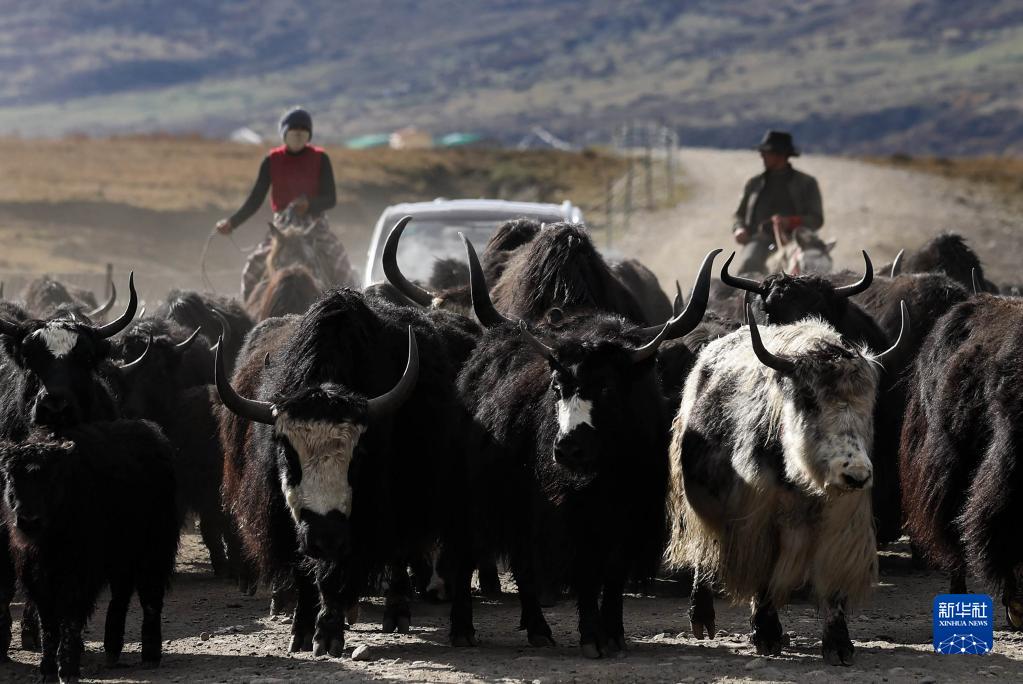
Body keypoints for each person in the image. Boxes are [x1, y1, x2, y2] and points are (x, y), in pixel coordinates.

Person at [216, 107, 355, 299]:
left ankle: (353, 311)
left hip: (315, 226)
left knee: (342, 266)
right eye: (293, 128)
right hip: (281, 229)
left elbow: (330, 199)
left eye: (303, 128)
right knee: (251, 271)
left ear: (310, 134)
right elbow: (255, 199)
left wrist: (309, 205)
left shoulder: (321, 158)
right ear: (284, 132)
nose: (298, 132)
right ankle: (249, 318)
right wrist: (232, 223)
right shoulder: (271, 161)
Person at [731, 130, 823, 274]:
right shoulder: (753, 183)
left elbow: (816, 219)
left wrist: (790, 222)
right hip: (759, 239)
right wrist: (739, 228)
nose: (761, 156)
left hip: (799, 240)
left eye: (766, 152)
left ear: (781, 155)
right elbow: (739, 215)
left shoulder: (807, 183)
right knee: (748, 265)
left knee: (816, 266)